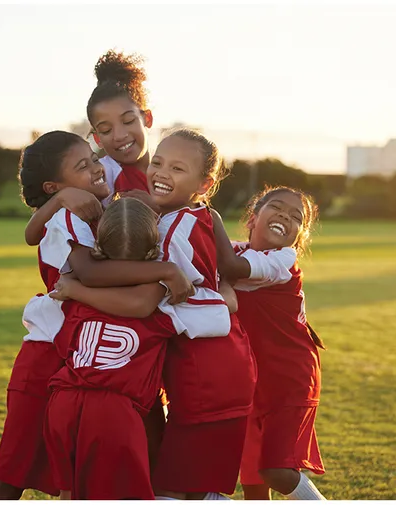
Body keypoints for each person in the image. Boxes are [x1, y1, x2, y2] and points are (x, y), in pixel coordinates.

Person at [0, 131, 191, 500]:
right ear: (54, 185)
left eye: (93, 158)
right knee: (11, 478)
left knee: (89, 479)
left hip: (90, 358)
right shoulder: (67, 215)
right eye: (84, 165)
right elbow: (89, 273)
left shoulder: (88, 208)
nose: (97, 167)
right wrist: (166, 272)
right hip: (53, 361)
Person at [146, 129, 257, 500]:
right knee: (201, 485)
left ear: (204, 183)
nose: (161, 172)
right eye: (157, 162)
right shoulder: (202, 214)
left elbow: (160, 298)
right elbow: (226, 272)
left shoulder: (170, 227)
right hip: (227, 357)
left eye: (177, 168)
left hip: (204, 367)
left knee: (171, 490)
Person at [42, 197, 177, 500]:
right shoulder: (157, 297)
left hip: (63, 402)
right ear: (155, 250)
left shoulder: (79, 293)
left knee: (71, 494)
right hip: (113, 411)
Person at [218, 186, 327, 500]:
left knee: (275, 471)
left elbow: (231, 268)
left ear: (298, 237)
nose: (285, 216)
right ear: (253, 219)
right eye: (277, 207)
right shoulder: (236, 250)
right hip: (253, 382)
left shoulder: (282, 260)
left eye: (296, 217)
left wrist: (207, 217)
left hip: (290, 380)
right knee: (253, 483)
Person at [23, 49, 155, 247]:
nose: (119, 135)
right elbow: (32, 236)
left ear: (147, 119)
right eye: (106, 129)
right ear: (97, 138)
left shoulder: (170, 169)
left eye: (128, 121)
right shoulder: (102, 174)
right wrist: (62, 198)